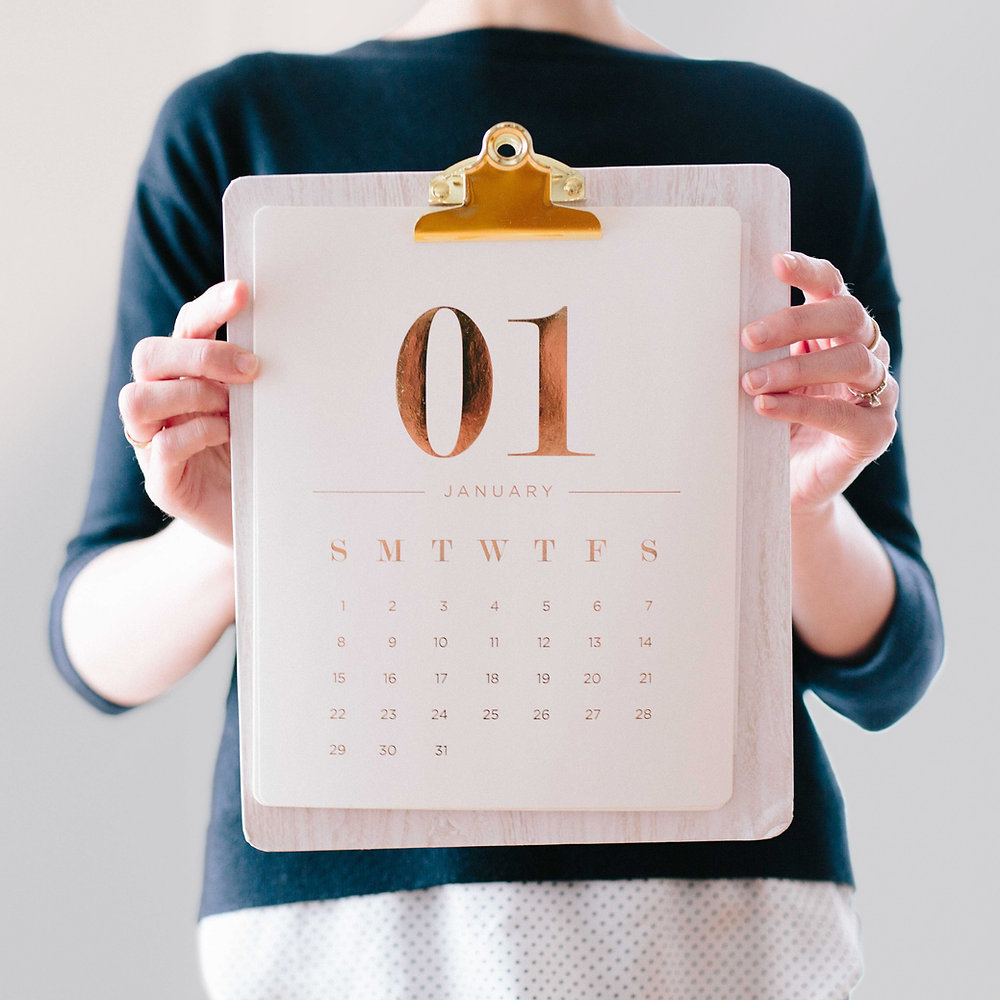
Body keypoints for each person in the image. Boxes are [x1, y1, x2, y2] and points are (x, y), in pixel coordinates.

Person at [50, 1, 943, 997]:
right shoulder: (236, 130)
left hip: (713, 908)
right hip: (343, 925)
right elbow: (94, 644)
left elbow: (891, 663)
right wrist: (246, 530)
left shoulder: (792, 139)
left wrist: (804, 505)